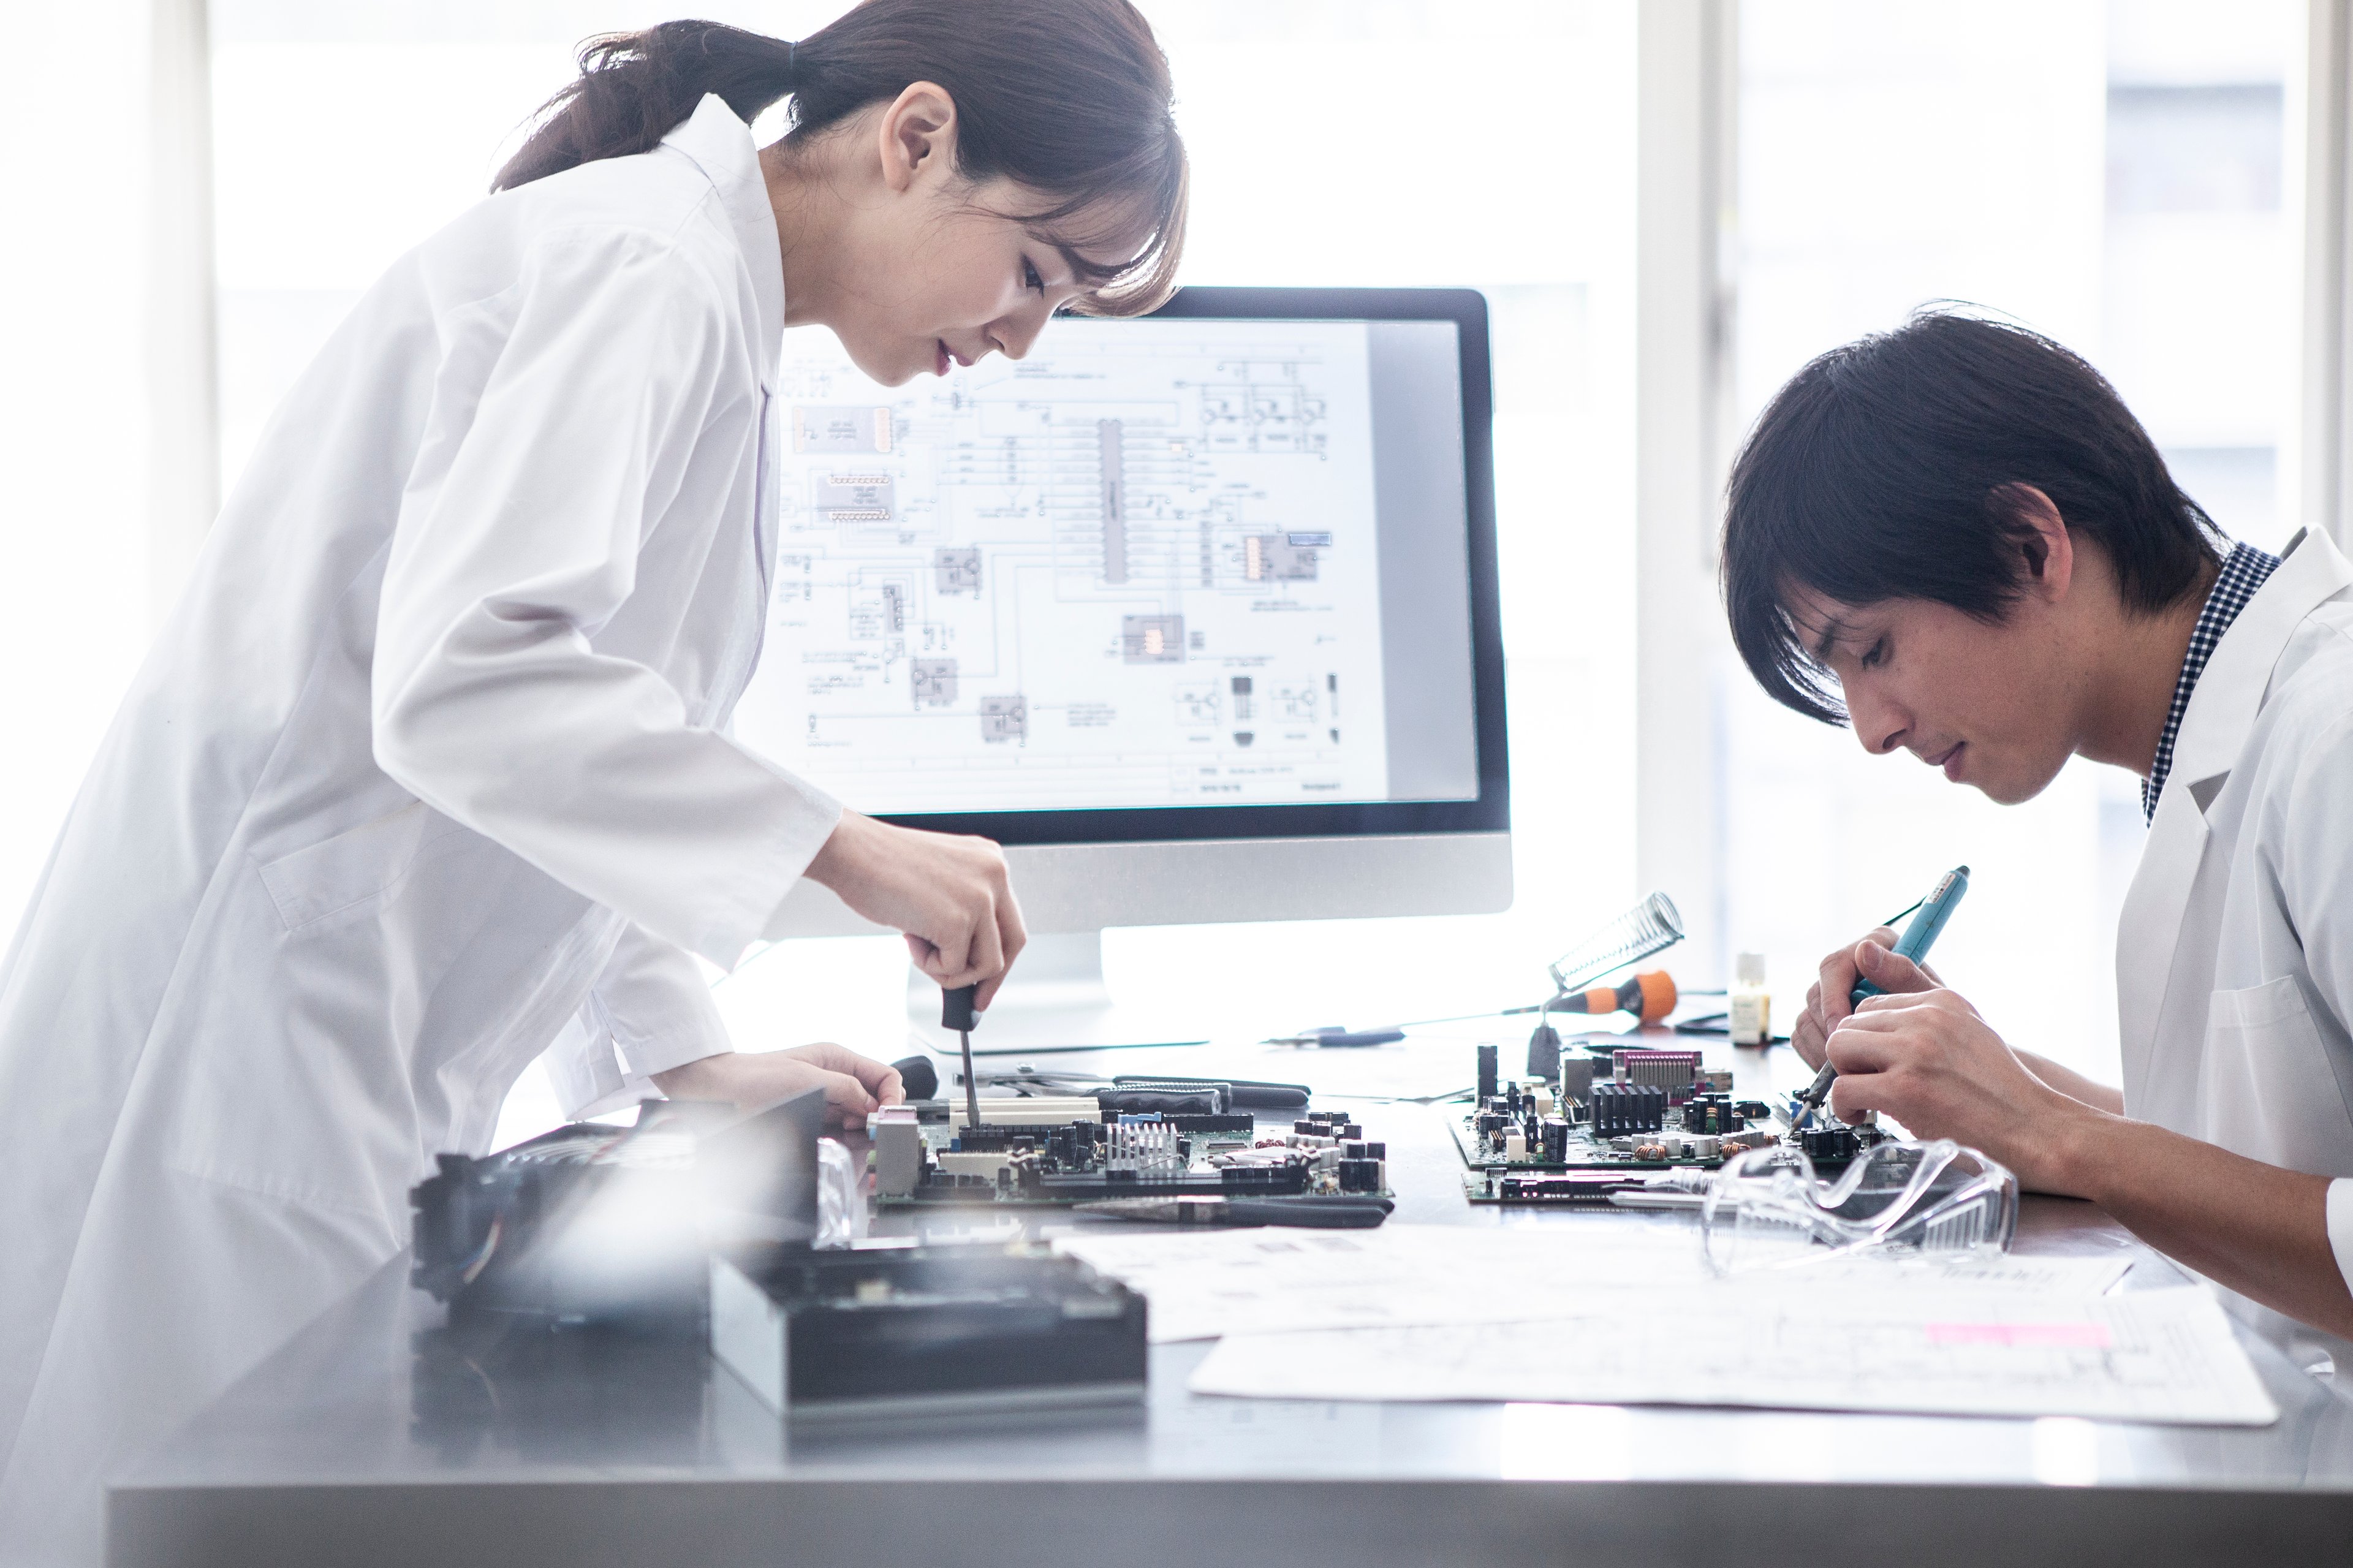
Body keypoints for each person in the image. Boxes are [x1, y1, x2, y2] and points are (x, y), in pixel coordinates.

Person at [0, 4, 1187, 1560]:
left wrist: (686, 1054)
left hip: (338, 1038)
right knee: (187, 1511)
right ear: (916, 137)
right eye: (1037, 269)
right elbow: (468, 688)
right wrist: (840, 847)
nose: (1026, 336)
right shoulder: (650, 267)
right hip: (242, 1043)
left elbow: (579, 753)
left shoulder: (708, 303)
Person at [1721, 309, 2353, 1356]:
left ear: (2030, 546)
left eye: (1872, 650)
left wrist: (2041, 1129)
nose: (1871, 731)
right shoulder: (2217, 745)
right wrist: (1977, 1081)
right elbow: (2252, 1161)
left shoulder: (2332, 736)